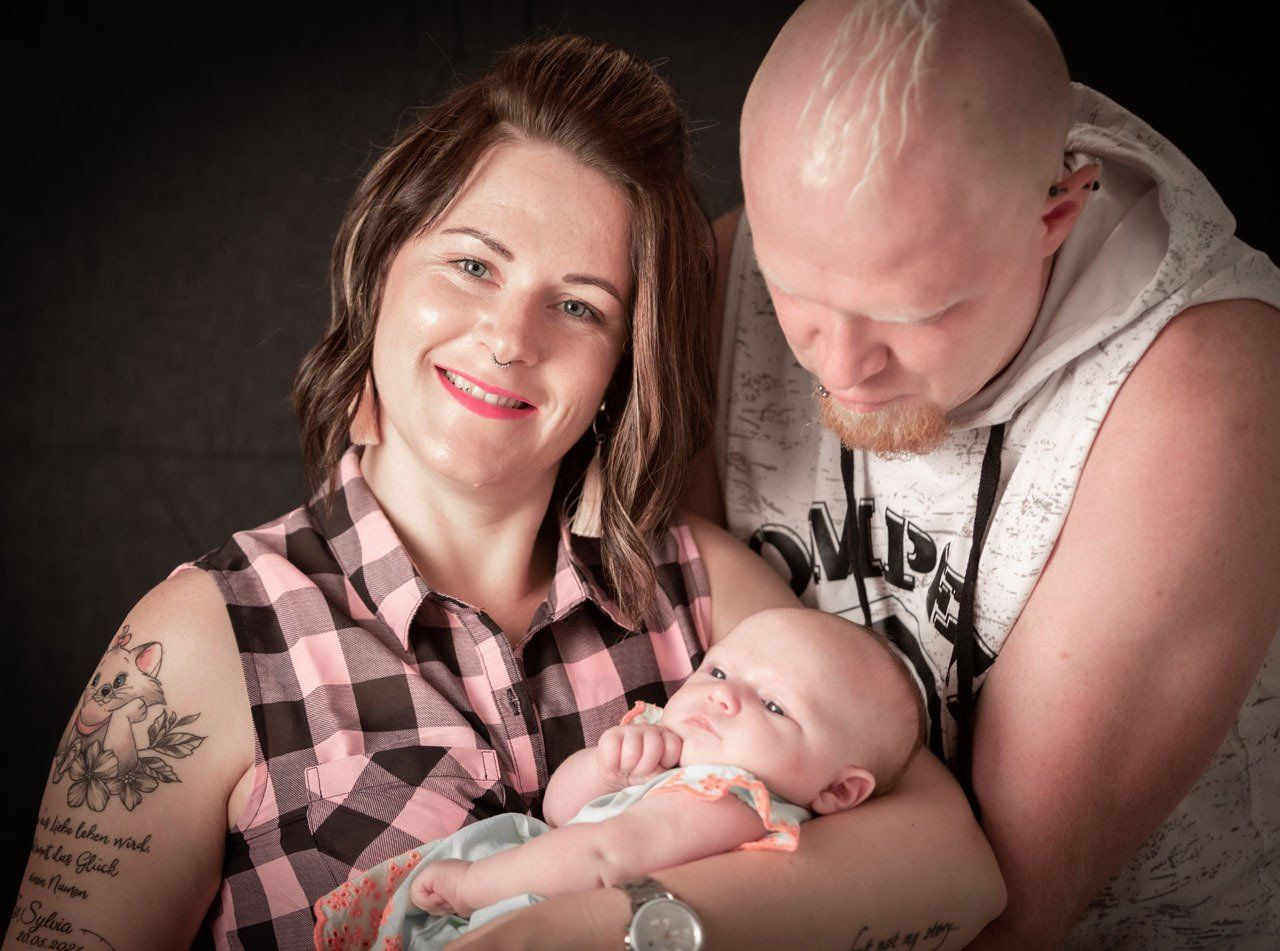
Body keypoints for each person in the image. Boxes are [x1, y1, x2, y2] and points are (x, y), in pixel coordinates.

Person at [8, 34, 1005, 951]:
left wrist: (602, 923)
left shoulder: (702, 588)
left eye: (577, 305)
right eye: (472, 265)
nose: (509, 338)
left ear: (623, 363)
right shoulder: (205, 640)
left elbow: (959, 872)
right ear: (382, 268)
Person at [692, 0, 1280, 948]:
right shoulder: (734, 260)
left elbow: (1005, 912)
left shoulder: (1202, 395)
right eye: (795, 289)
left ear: (1057, 213)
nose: (838, 367)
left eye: (911, 312)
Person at [314, 607, 925, 949]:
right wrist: (606, 768)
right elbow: (560, 815)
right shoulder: (672, 751)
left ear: (838, 792)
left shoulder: (734, 800)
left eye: (773, 705)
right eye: (718, 673)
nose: (725, 697)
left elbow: (605, 853)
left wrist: (473, 885)